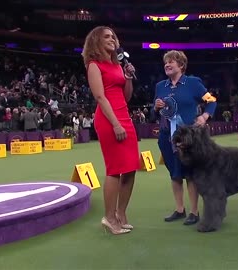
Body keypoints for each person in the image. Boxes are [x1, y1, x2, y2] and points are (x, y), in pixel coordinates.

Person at [82, 26, 139, 235]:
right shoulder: (93, 65)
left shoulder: (116, 65)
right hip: (109, 119)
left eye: (113, 36)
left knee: (131, 167)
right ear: (96, 41)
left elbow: (126, 97)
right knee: (115, 169)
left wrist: (129, 77)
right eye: (106, 36)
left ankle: (121, 214)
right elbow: (99, 96)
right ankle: (109, 217)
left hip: (124, 115)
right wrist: (115, 124)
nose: (112, 39)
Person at [154, 50, 217, 225]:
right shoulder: (160, 86)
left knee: (190, 174)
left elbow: (212, 101)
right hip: (167, 137)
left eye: (171, 61)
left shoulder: (193, 83)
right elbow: (155, 111)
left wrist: (204, 117)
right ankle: (179, 209)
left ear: (181, 65)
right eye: (166, 62)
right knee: (174, 174)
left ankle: (194, 212)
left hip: (189, 138)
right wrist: (157, 106)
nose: (167, 64)